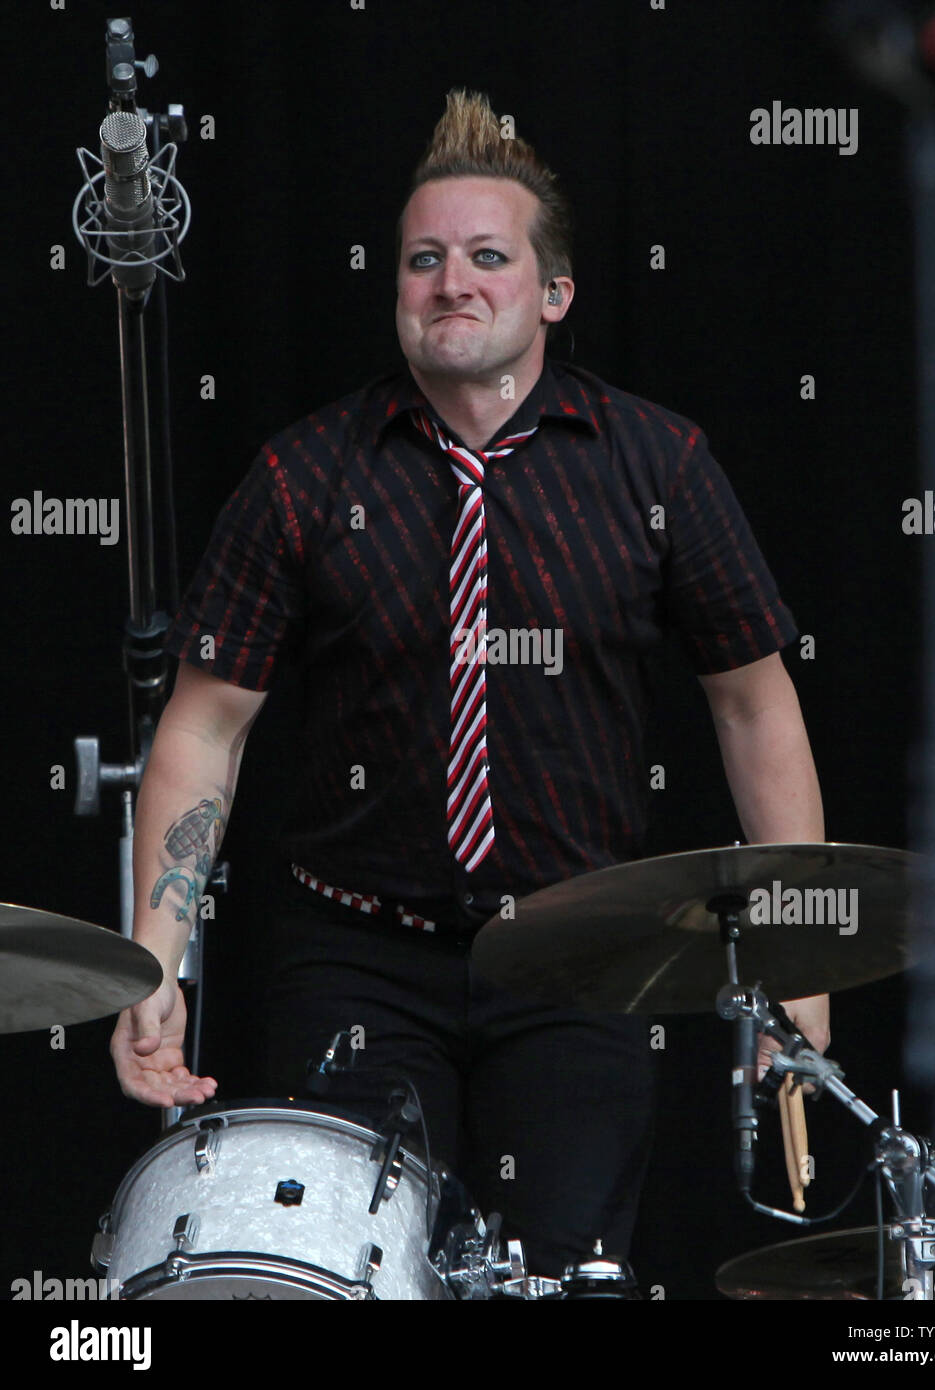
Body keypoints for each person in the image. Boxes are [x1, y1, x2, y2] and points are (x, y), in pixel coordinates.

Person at [110, 89, 829, 1283]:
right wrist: (156, 960)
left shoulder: (659, 464)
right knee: (351, 1272)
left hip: (580, 953)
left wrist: (799, 968)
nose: (452, 281)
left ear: (554, 293)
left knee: (566, 1275)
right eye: (423, 260)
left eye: (488, 258)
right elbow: (204, 727)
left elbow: (754, 707)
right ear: (395, 290)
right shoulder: (303, 476)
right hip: (357, 953)